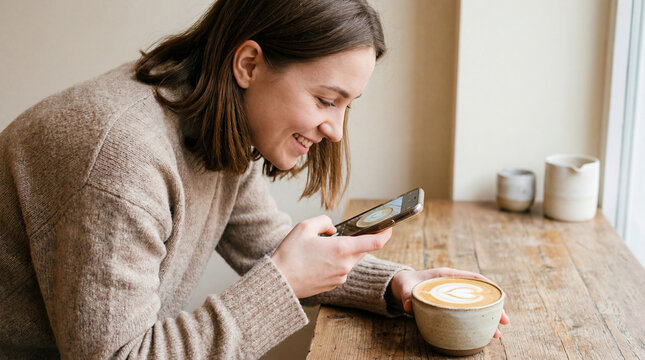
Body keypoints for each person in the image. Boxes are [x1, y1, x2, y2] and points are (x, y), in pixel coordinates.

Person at [0, 0, 508, 358]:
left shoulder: (211, 123)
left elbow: (264, 242)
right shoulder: (122, 159)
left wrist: (397, 283)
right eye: (326, 100)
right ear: (248, 64)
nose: (335, 130)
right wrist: (284, 282)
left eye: (347, 106)